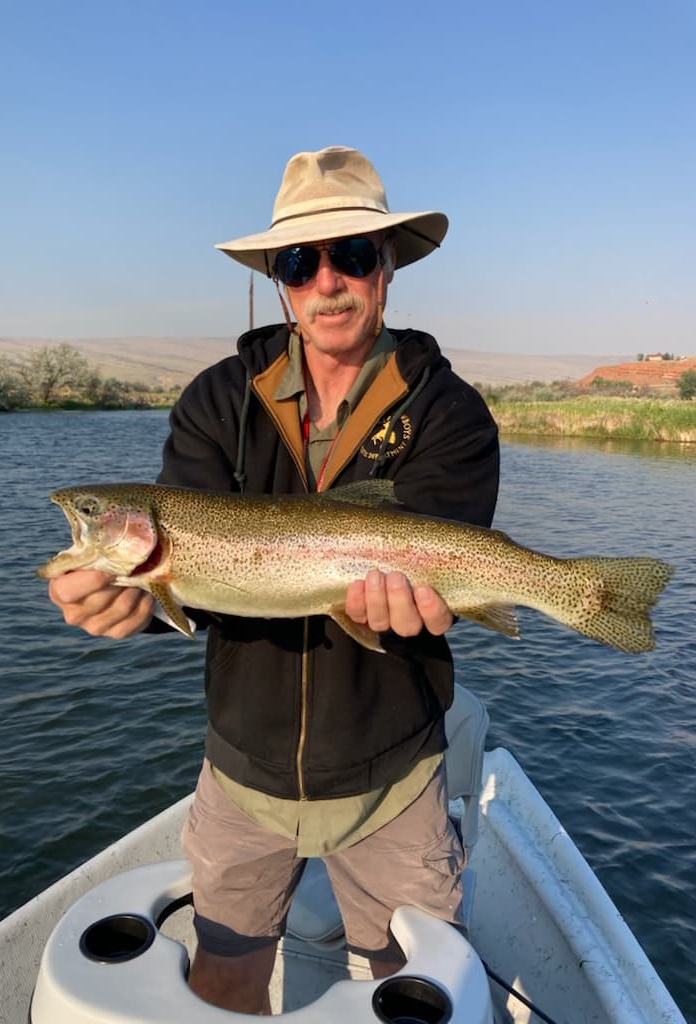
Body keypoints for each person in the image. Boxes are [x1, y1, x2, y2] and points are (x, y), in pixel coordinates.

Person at [47, 145, 499, 1014]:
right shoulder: (218, 401)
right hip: (242, 774)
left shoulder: (448, 410)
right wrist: (125, 600)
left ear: (389, 266)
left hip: (393, 773)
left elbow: (447, 560)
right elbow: (182, 592)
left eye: (353, 256)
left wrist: (430, 600)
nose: (328, 280)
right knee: (220, 984)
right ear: (280, 280)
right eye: (300, 262)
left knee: (412, 996)